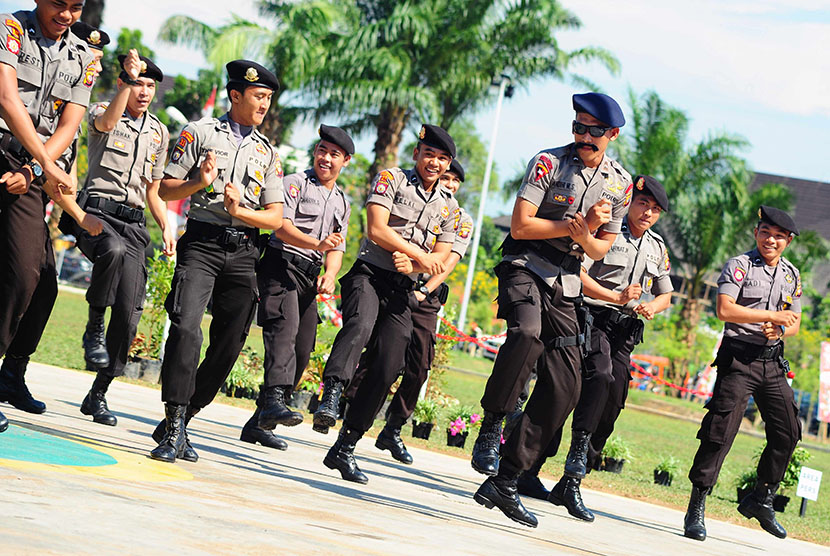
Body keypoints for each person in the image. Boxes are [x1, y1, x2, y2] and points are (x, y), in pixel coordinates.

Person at [472, 92, 631, 527]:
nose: (582, 136)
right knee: (525, 335)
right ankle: (491, 424)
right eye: (577, 127)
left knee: (566, 385)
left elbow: (599, 250)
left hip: (567, 280)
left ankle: (504, 481)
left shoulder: (620, 184)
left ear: (611, 135)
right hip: (525, 265)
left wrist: (587, 233)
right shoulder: (549, 162)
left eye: (592, 131)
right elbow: (521, 224)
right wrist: (572, 225)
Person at [516, 175, 673, 523]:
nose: (648, 213)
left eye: (655, 209)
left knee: (614, 396)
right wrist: (614, 297)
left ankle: (575, 473)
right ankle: (546, 470)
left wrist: (652, 306)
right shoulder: (605, 230)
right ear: (631, 202)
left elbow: (666, 293)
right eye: (643, 203)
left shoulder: (657, 247)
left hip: (625, 329)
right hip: (591, 316)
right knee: (591, 380)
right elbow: (579, 272)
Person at [149, 60, 283, 463]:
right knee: (186, 328)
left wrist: (241, 212)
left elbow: (275, 217)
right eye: (259, 97)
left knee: (229, 343)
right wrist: (199, 184)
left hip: (244, 252)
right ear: (235, 95)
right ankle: (172, 427)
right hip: (202, 244)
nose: (265, 105)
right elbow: (166, 190)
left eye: (269, 99)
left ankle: (187, 416)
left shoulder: (267, 152)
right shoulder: (200, 132)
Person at [315, 124, 458, 484]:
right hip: (369, 274)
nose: (434, 163)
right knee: (360, 324)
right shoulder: (391, 179)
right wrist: (414, 254)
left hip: (402, 291)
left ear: (448, 164)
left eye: (442, 159)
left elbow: (441, 257)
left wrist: (417, 264)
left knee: (390, 363)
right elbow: (376, 229)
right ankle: (331, 395)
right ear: (416, 154)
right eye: (428, 154)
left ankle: (345, 447)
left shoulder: (450, 208)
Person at [0, 1, 102, 431]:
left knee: (31, 276)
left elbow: (69, 125)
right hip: (7, 147)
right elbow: (6, 98)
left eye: (75, 6)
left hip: (31, 167)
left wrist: (35, 169)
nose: (66, 14)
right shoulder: (10, 28)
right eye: (58, 4)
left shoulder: (82, 57)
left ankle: (10, 373)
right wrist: (43, 165)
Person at [684, 206, 802, 541]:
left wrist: (780, 331)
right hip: (739, 360)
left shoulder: (792, 275)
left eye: (779, 236)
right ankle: (696, 507)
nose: (771, 240)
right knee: (719, 433)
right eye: (765, 232)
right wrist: (772, 317)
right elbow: (725, 309)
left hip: (772, 362)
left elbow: (795, 322)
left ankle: (760, 497)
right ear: (756, 232)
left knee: (788, 432)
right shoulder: (739, 266)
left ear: (788, 241)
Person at [346, 159, 473, 465]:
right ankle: (348, 403)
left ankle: (393, 427)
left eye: (456, 180)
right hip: (397, 282)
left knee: (419, 363)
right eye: (448, 177)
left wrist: (423, 290)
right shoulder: (411, 194)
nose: (450, 183)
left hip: (425, 295)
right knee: (377, 348)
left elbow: (447, 262)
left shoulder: (459, 218)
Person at [72, 50, 173, 426]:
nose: (144, 92)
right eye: (138, 84)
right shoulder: (103, 108)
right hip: (97, 213)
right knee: (110, 250)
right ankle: (93, 327)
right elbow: (105, 123)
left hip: (134, 224)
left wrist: (165, 225)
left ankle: (98, 393)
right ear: (123, 84)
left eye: (150, 86)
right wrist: (126, 81)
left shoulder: (159, 132)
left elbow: (153, 189)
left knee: (130, 313)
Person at [239, 124, 354, 450]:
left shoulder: (342, 201)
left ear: (345, 160)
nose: (325, 158)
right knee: (284, 334)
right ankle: (274, 401)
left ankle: (259, 421)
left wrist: (330, 274)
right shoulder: (293, 184)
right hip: (281, 265)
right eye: (321, 150)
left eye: (334, 154)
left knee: (303, 349)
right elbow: (281, 227)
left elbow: (337, 246)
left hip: (309, 277)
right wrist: (317, 244)